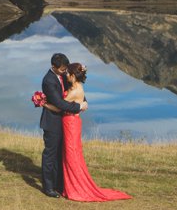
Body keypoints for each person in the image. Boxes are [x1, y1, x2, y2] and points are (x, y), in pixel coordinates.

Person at [55, 62, 131, 202]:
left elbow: (60, 105)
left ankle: (75, 188)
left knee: (71, 155)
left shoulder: (75, 91)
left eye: (68, 74)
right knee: (72, 154)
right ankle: (71, 186)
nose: (66, 75)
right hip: (72, 123)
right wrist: (80, 105)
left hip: (71, 123)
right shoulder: (77, 87)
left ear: (73, 75)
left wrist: (44, 102)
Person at [38, 53, 86, 198]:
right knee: (50, 155)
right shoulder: (48, 80)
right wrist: (78, 107)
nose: (65, 72)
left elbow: (74, 87)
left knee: (61, 154)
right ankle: (48, 187)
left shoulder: (62, 75)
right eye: (62, 69)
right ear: (54, 67)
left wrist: (82, 100)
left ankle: (60, 184)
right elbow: (59, 103)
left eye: (66, 69)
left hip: (66, 123)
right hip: (52, 123)